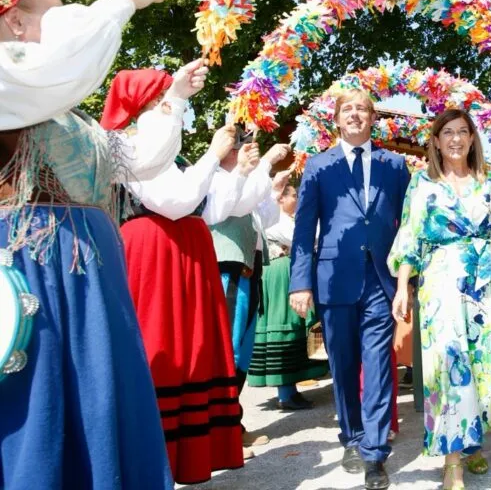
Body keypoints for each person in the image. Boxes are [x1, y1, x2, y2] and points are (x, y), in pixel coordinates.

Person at [0, 0, 206, 489]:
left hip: (91, 264)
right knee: (40, 397)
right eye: (53, 15)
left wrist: (176, 97)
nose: (71, 25)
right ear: (16, 25)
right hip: (36, 262)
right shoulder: (13, 78)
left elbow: (139, 162)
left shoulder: (64, 109)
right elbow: (56, 67)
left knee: (101, 392)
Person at [389, 109, 491, 490]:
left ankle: (473, 443)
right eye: (447, 132)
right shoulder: (423, 183)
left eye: (462, 132)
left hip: (484, 283)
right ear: (435, 140)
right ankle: (453, 463)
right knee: (450, 365)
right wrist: (403, 286)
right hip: (440, 282)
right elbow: (410, 238)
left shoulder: (489, 183)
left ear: (471, 138)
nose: (455, 139)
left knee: (488, 363)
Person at [100, 69, 245, 484]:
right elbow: (175, 202)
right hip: (156, 251)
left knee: (192, 350)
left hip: (184, 250)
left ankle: (192, 454)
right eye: (165, 95)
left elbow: (214, 210)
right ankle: (155, 456)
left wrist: (238, 170)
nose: (175, 103)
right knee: (162, 347)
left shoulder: (165, 147)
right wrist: (213, 156)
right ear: (147, 102)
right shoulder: (129, 144)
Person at [289, 89, 410, 490]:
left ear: (373, 118)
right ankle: (352, 436)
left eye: (362, 108)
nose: (355, 115)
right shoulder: (318, 167)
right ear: (337, 120)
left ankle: (375, 453)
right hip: (333, 280)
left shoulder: (394, 165)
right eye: (347, 109)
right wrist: (300, 282)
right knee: (342, 366)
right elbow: (305, 229)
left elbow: (408, 227)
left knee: (376, 365)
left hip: (381, 280)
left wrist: (410, 280)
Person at [205, 137, 290, 457]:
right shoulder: (215, 176)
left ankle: (231, 426)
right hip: (227, 267)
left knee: (240, 351)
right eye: (243, 144)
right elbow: (234, 206)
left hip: (248, 266)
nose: (249, 150)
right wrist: (265, 165)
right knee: (227, 349)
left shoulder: (242, 179)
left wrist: (273, 191)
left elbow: (263, 219)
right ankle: (219, 433)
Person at [248, 180, 329, 409]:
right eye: (293, 195)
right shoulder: (275, 219)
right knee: (285, 324)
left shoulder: (282, 218)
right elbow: (297, 239)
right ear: (280, 198)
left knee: (297, 325)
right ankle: (285, 392)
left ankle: (291, 387)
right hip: (280, 272)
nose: (296, 199)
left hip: (286, 270)